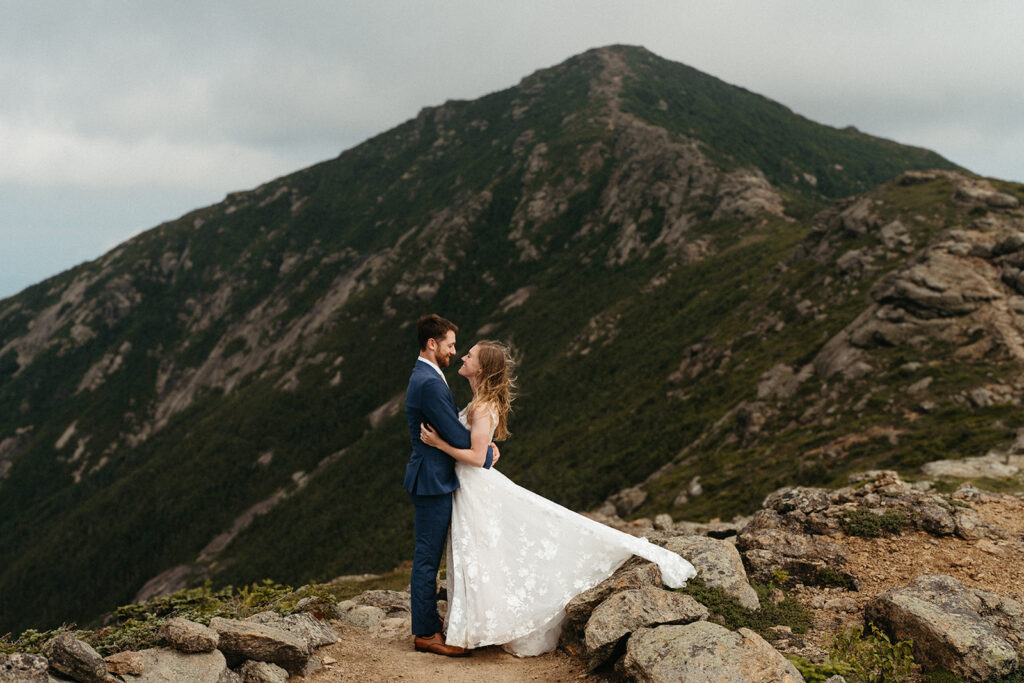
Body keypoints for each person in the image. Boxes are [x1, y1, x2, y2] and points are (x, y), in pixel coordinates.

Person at [420, 339, 697, 656]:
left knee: (481, 553)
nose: (463, 356)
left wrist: (439, 444)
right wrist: (488, 449)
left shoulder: (482, 406)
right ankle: (472, 625)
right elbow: (483, 448)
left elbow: (475, 455)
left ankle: (469, 631)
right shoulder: (480, 402)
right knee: (480, 554)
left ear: (480, 368)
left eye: (469, 355)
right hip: (470, 487)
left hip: (474, 488)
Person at [403, 314, 497, 657]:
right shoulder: (429, 382)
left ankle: (431, 623)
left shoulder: (430, 376)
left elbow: (450, 423)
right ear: (432, 344)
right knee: (427, 557)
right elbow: (455, 433)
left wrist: (483, 445)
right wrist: (484, 453)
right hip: (432, 480)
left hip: (435, 476)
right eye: (450, 345)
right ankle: (426, 632)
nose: (454, 352)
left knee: (430, 555)